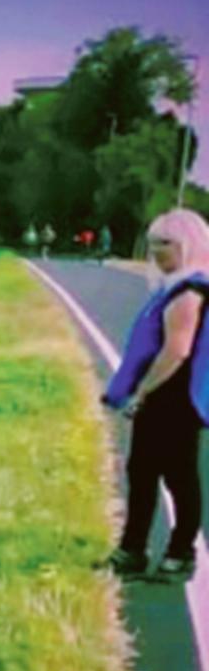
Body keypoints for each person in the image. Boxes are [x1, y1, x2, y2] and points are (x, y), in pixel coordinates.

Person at [101, 209, 209, 581]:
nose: (156, 251)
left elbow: (177, 350)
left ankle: (180, 553)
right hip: (165, 395)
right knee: (143, 472)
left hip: (175, 398)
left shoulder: (189, 292)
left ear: (188, 244)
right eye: (152, 243)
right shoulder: (174, 287)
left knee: (178, 477)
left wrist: (141, 392)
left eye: (165, 243)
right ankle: (132, 549)